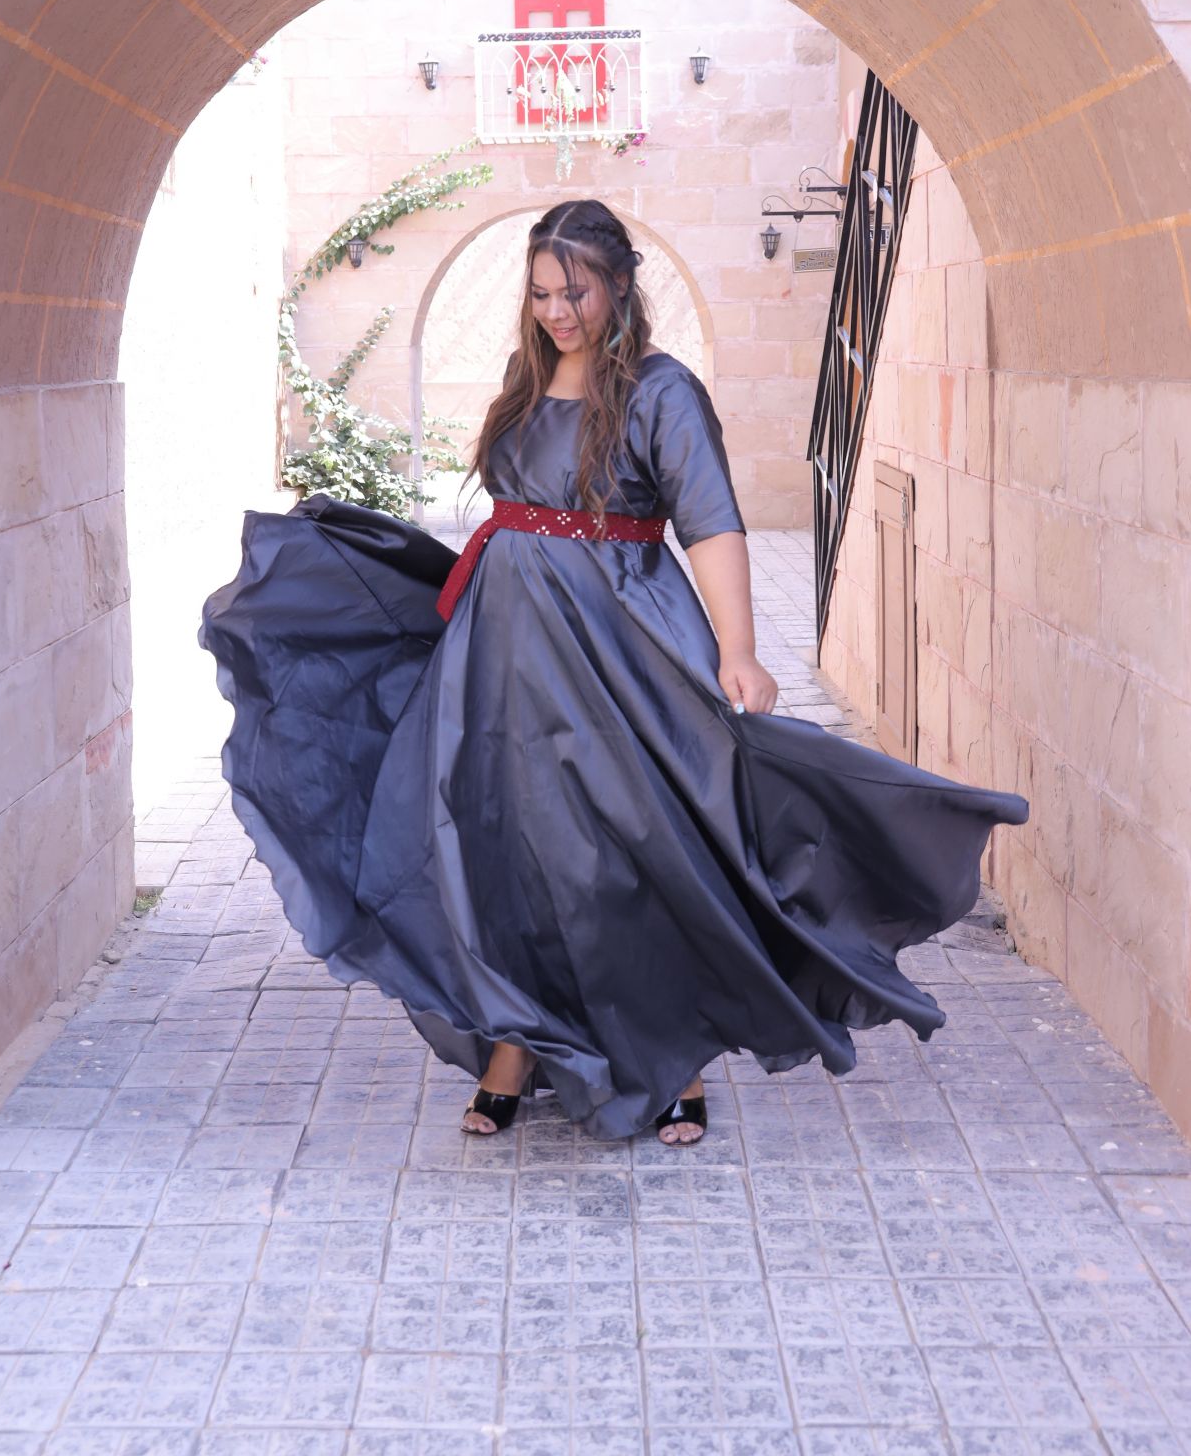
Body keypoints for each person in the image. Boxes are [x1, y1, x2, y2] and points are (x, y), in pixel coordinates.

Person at [200, 198, 1028, 1148]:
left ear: (621, 285)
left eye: (576, 291)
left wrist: (740, 649)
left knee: (635, 848)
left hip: (617, 643)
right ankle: (517, 1039)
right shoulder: (527, 376)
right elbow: (513, 510)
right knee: (501, 845)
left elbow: (710, 522)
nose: (558, 310)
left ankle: (672, 1053)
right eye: (543, 291)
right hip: (503, 647)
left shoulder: (663, 391)